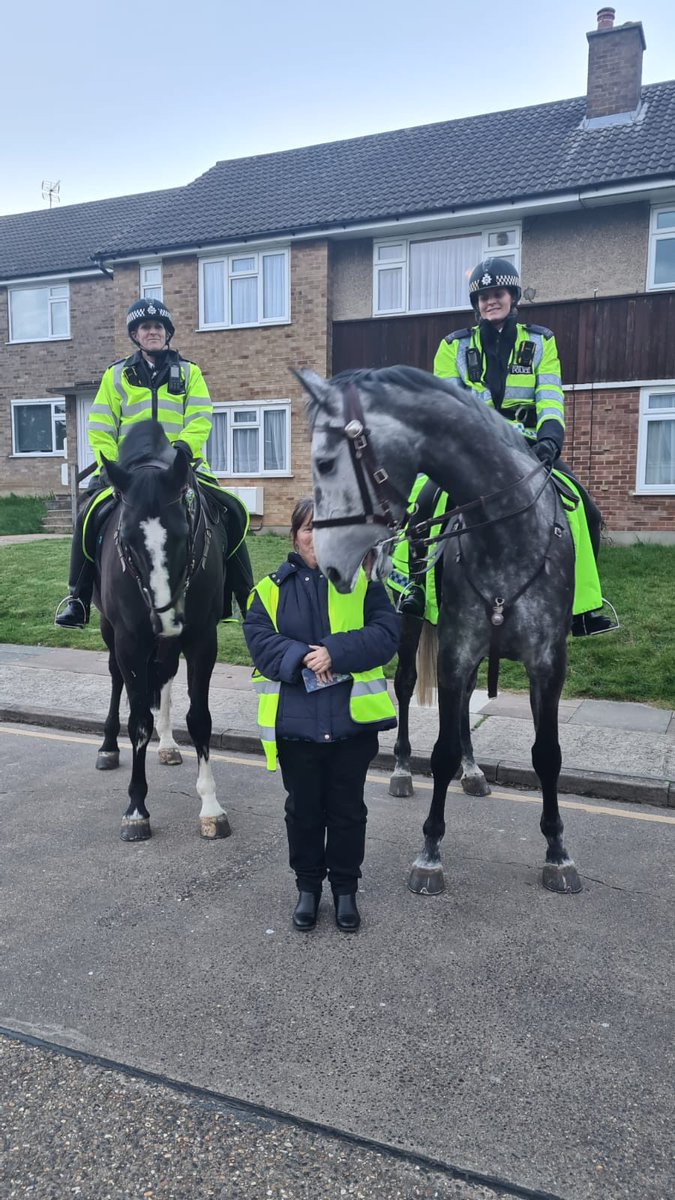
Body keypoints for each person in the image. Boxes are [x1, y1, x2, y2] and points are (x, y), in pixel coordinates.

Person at [397, 257, 615, 637]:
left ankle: (581, 608)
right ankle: (413, 587)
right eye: (482, 297)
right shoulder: (453, 346)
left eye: (496, 294)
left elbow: (549, 393)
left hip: (529, 447)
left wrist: (550, 437)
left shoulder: (540, 340)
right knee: (422, 501)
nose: (489, 302)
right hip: (472, 449)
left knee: (585, 510)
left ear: (512, 297)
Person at [243, 498, 399, 932]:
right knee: (304, 813)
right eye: (309, 528)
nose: (316, 537)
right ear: (295, 535)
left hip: (351, 727)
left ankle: (345, 890)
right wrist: (300, 656)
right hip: (296, 730)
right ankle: (308, 889)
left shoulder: (364, 582)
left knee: (348, 812)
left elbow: (387, 634)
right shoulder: (269, 589)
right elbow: (258, 639)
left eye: (326, 528)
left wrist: (336, 652)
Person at [55, 298, 253, 628]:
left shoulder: (190, 372)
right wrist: (111, 465)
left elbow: (201, 416)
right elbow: (101, 424)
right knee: (86, 516)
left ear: (168, 333)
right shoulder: (116, 375)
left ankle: (245, 596)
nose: (153, 332)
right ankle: (77, 597)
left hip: (181, 468)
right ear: (135, 333)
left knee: (233, 511)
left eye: (159, 327)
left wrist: (184, 452)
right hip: (129, 473)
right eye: (146, 327)